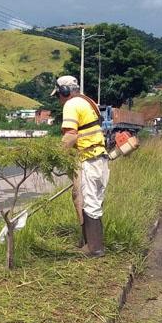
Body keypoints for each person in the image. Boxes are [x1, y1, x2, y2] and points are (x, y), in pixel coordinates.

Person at [52, 75, 108, 257]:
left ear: (64, 92)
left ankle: (94, 248)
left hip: (89, 158)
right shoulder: (88, 102)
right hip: (99, 157)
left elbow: (70, 135)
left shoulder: (71, 104)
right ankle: (90, 244)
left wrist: (54, 156)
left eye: (58, 95)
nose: (58, 99)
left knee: (90, 202)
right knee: (93, 201)